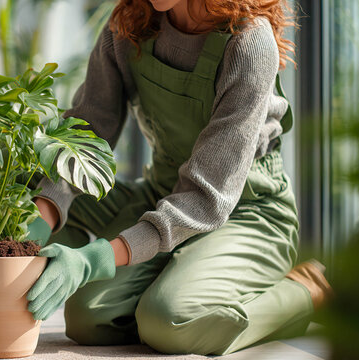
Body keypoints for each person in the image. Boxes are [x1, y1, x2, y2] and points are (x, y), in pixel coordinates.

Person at [26, 0, 332, 355]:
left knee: (169, 321)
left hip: (244, 210)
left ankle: (305, 293)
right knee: (88, 319)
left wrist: (94, 259)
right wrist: (41, 214)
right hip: (162, 194)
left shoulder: (248, 42)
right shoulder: (130, 22)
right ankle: (174, 275)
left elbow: (208, 197)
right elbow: (89, 129)